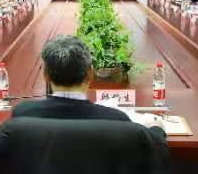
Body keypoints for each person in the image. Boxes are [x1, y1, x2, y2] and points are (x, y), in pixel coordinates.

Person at [12, 35, 162, 130]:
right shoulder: (116, 119)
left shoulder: (23, 114)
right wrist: (157, 128)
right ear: (90, 74)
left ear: (45, 76)